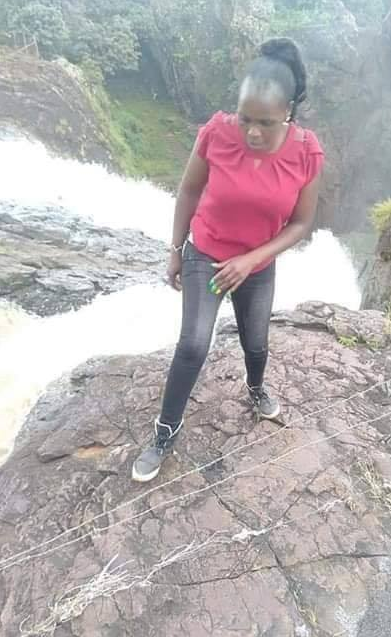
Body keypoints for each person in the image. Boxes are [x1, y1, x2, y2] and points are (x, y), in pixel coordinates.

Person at [132, 37, 325, 483]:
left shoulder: (306, 152)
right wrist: (175, 250)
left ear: (288, 113)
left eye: (265, 123)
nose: (252, 132)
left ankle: (255, 389)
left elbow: (301, 224)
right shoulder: (216, 133)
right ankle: (164, 433)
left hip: (256, 266)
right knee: (193, 345)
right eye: (245, 118)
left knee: (255, 343)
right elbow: (189, 191)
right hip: (207, 257)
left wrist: (251, 260)